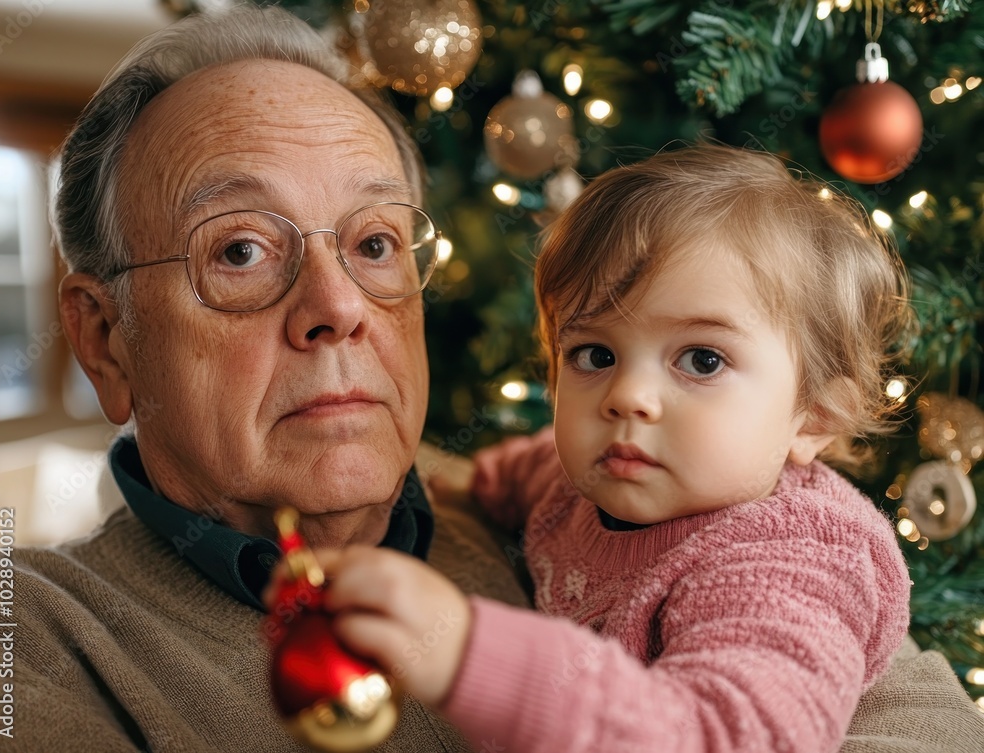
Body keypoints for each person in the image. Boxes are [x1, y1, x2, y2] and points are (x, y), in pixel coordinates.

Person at [0, 5, 980, 751]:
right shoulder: (25, 646)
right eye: (240, 250)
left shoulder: (722, 523)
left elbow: (926, 724)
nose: (339, 304)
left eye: (375, 241)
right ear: (105, 339)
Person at [307, 146, 984, 753]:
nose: (628, 396)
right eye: (595, 353)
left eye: (701, 358)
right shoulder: (586, 475)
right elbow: (520, 472)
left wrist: (469, 651)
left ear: (813, 418)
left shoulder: (787, 562)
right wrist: (457, 490)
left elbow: (726, 735)